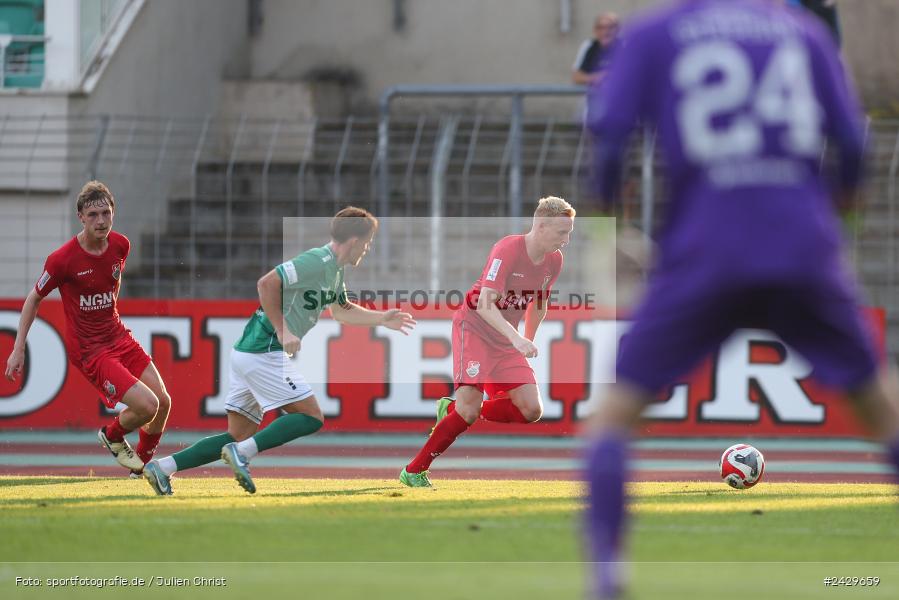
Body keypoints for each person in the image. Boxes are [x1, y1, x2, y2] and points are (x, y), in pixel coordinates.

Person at [583, 1, 899, 597]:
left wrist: (609, 236)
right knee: (881, 410)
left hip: (706, 249)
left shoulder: (655, 33)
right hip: (803, 245)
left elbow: (607, 142)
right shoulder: (801, 30)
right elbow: (855, 148)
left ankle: (607, 580)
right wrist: (841, 237)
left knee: (612, 419)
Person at [143, 206, 415, 495]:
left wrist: (382, 319)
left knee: (236, 435)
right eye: (368, 241)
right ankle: (243, 453)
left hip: (247, 353)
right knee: (311, 417)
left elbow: (342, 311)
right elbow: (267, 283)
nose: (368, 248)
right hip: (264, 350)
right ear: (354, 240)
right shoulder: (317, 260)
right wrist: (284, 330)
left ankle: (163, 468)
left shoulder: (334, 271)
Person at [399, 197, 575, 488]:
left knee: (531, 410)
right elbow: (483, 305)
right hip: (476, 328)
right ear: (541, 226)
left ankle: (452, 410)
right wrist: (516, 338)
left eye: (569, 233)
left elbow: (539, 304)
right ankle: (414, 471)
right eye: (562, 232)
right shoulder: (508, 249)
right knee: (468, 411)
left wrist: (526, 339)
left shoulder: (554, 261)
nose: (566, 240)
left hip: (506, 338)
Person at [4, 181, 172, 475]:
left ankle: (141, 469)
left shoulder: (121, 245)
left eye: (106, 213)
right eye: (93, 215)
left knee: (164, 402)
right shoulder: (62, 260)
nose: (101, 221)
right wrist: (18, 348)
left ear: (113, 214)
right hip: (90, 350)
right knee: (147, 405)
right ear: (80, 217)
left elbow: (107, 288)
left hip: (118, 335)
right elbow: (34, 299)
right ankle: (112, 435)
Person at [572, 13, 620, 86]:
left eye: (610, 27)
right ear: (595, 30)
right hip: (593, 96)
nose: (605, 32)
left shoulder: (625, 47)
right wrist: (595, 78)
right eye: (601, 28)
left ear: (617, 30)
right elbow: (576, 77)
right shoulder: (589, 46)